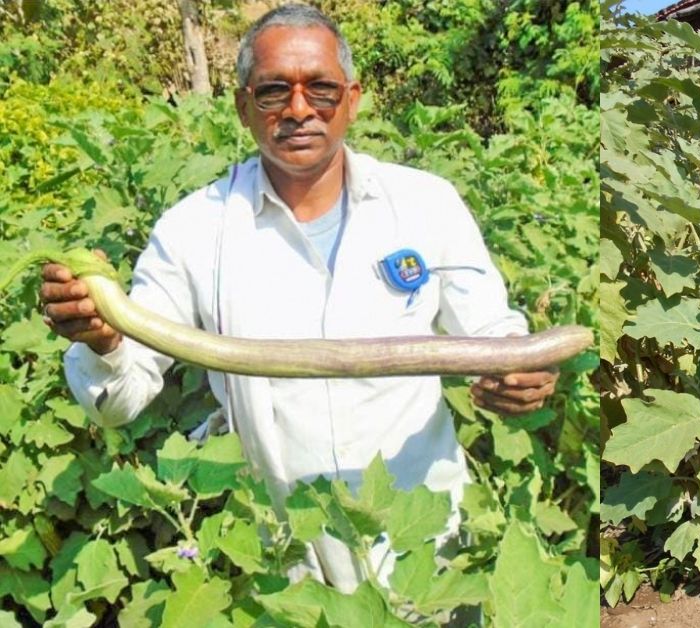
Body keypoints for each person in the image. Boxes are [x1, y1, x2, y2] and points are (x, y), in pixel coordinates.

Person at [37, 4, 557, 592]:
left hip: (427, 545)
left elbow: (494, 333)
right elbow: (119, 402)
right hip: (286, 559)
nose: (299, 109)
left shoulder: (426, 204)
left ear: (353, 99)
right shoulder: (193, 230)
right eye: (273, 91)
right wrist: (105, 340)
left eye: (322, 89)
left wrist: (521, 370)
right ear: (242, 106)